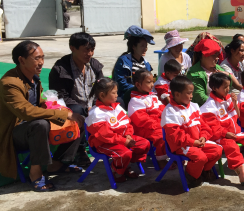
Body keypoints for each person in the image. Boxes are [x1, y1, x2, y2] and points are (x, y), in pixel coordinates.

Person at [0, 41, 83, 191]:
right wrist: (60, 114)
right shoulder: (9, 83)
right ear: (21, 60)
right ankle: (35, 173)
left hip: (31, 124)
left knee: (78, 117)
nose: (41, 63)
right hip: (14, 132)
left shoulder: (33, 78)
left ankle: (57, 163)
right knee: (41, 125)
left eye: (42, 58)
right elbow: (26, 111)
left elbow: (37, 103)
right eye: (36, 58)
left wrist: (62, 109)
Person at [49, 32, 104, 167]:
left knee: (117, 101)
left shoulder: (94, 65)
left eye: (92, 50)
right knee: (78, 111)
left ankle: (109, 143)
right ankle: (79, 150)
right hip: (72, 107)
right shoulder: (60, 69)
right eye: (86, 50)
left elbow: (103, 88)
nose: (90, 53)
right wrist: (86, 108)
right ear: (72, 48)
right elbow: (61, 97)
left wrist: (98, 103)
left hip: (93, 104)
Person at [161, 76, 223, 188]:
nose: (192, 96)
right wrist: (193, 142)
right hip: (181, 145)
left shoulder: (194, 106)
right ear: (177, 94)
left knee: (218, 150)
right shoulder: (170, 111)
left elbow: (204, 125)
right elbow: (175, 136)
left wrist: (204, 137)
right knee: (201, 157)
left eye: (192, 93)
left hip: (197, 142)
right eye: (189, 93)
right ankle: (191, 176)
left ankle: (203, 171)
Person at [85, 78, 150, 183]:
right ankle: (117, 171)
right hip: (103, 143)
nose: (117, 95)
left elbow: (127, 122)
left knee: (144, 144)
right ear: (102, 95)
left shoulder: (117, 107)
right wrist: (124, 141)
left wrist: (128, 135)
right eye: (114, 93)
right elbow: (105, 135)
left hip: (122, 138)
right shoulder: (96, 113)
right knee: (124, 154)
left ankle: (124, 165)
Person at [128, 69, 174, 171]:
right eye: (149, 82)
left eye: (153, 81)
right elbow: (141, 119)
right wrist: (159, 124)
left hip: (156, 124)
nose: (152, 84)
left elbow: (162, 109)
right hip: (143, 129)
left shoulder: (152, 96)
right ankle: (161, 159)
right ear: (138, 85)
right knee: (161, 135)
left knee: (174, 130)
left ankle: (173, 154)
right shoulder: (135, 101)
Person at [113, 25, 155, 102]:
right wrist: (136, 90)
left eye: (146, 46)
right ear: (133, 47)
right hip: (127, 96)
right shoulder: (123, 61)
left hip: (143, 94)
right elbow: (120, 82)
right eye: (142, 46)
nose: (145, 48)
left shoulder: (146, 63)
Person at [188, 39, 230, 106]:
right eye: (214, 55)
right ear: (203, 55)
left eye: (217, 55)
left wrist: (229, 76)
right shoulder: (194, 73)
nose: (217, 58)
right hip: (205, 108)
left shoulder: (218, 68)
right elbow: (200, 97)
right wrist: (219, 104)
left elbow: (228, 87)